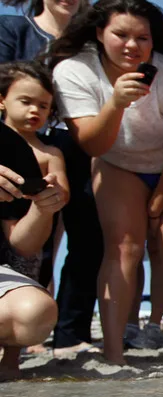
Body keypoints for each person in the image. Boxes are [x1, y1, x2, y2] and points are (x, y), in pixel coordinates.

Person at [48, 0, 163, 365]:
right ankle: (114, 356)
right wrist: (115, 102)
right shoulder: (74, 70)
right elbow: (92, 144)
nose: (132, 45)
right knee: (124, 247)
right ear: (99, 33)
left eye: (142, 37)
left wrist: (158, 206)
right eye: (120, 35)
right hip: (115, 162)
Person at [1, 0, 102, 356]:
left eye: (42, 105)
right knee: (31, 245)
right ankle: (25, 341)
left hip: (71, 141)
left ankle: (64, 335)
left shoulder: (91, 43)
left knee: (76, 240)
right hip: (18, 144)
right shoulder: (14, 28)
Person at [0, 62, 67, 376]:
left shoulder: (31, 151)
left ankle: (11, 360)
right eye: (25, 101)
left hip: (25, 236)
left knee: (34, 303)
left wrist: (43, 205)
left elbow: (19, 243)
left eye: (43, 105)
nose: (34, 110)